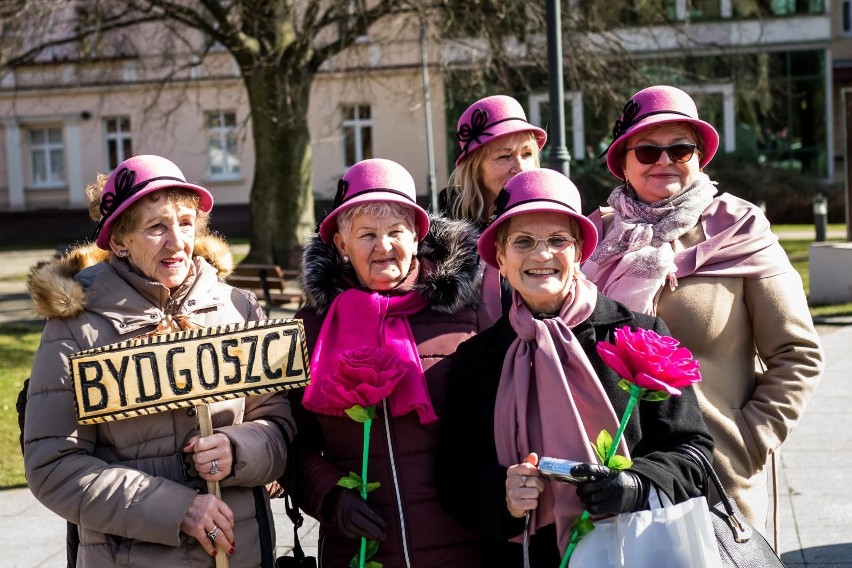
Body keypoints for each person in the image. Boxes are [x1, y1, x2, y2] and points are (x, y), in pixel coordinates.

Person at [23, 154, 295, 567]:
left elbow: (279, 428)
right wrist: (178, 509)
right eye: (155, 227)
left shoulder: (238, 309)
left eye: (185, 223)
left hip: (242, 554)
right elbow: (53, 467)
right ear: (118, 241)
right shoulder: (74, 328)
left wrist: (239, 449)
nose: (177, 242)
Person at [435, 168, 713, 566]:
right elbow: (452, 478)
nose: (542, 254)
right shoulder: (477, 361)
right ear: (500, 256)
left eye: (558, 240)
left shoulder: (639, 335)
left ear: (580, 251)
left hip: (632, 551)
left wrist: (636, 484)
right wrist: (501, 493)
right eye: (523, 242)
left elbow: (694, 451)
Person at [582, 85, 824, 529]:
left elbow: (798, 356)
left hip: (712, 479)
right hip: (611, 479)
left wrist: (744, 441)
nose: (664, 161)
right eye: (648, 150)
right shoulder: (595, 237)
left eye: (680, 148)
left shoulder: (738, 227)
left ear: (698, 156)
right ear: (623, 161)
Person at [290, 158, 490, 567]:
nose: (383, 246)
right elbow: (290, 442)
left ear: (417, 236)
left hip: (461, 544)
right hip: (358, 549)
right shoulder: (310, 329)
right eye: (366, 234)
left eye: (396, 231)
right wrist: (329, 495)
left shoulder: (466, 314)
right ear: (342, 246)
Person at [441, 94, 547, 322]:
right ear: (475, 168)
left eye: (527, 154)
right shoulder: (443, 241)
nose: (520, 167)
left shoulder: (553, 221)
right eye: (504, 157)